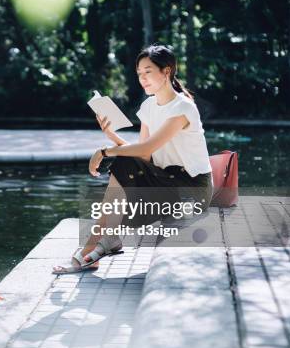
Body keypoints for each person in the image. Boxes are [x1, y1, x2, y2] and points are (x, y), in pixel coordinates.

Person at [52, 44, 213, 274]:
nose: (142, 79)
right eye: (139, 74)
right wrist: (112, 137)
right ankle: (104, 241)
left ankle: (94, 245)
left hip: (191, 190)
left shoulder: (183, 107)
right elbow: (144, 154)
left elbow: (147, 147)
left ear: (166, 71)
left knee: (120, 162)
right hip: (165, 182)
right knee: (123, 163)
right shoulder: (148, 106)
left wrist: (104, 151)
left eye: (148, 72)